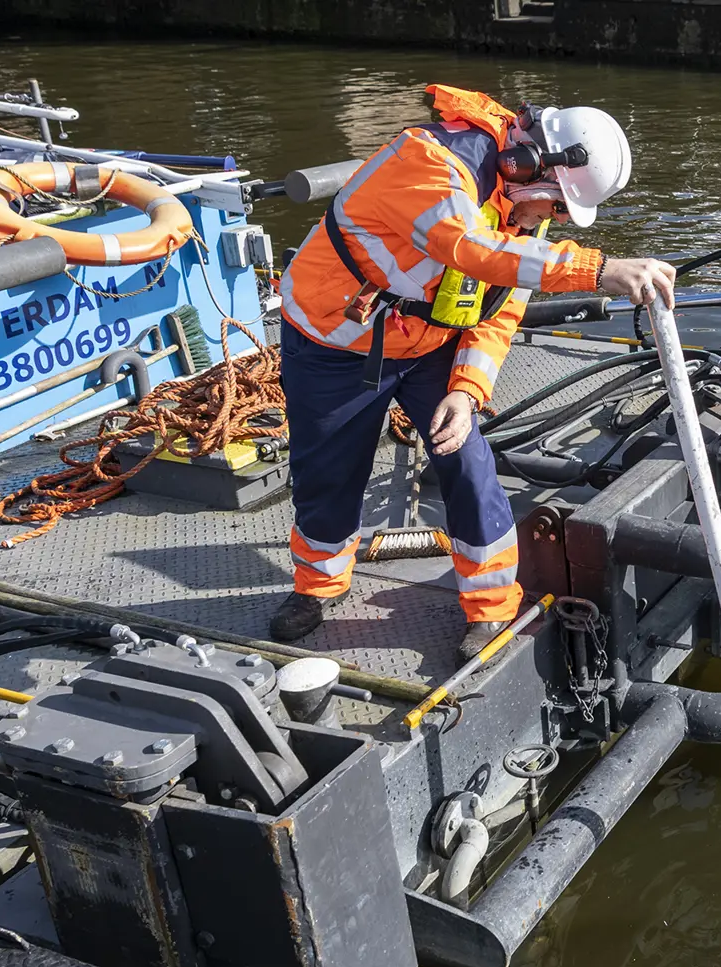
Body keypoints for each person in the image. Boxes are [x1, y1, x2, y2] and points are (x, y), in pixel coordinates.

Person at [272, 84, 677, 659]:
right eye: (558, 206)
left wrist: (466, 390)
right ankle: (317, 587)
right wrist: (599, 268)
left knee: (467, 462)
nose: (553, 219)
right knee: (328, 471)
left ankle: (490, 609)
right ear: (528, 164)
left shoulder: (516, 210)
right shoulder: (429, 162)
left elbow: (500, 305)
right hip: (335, 343)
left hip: (429, 346)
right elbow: (468, 247)